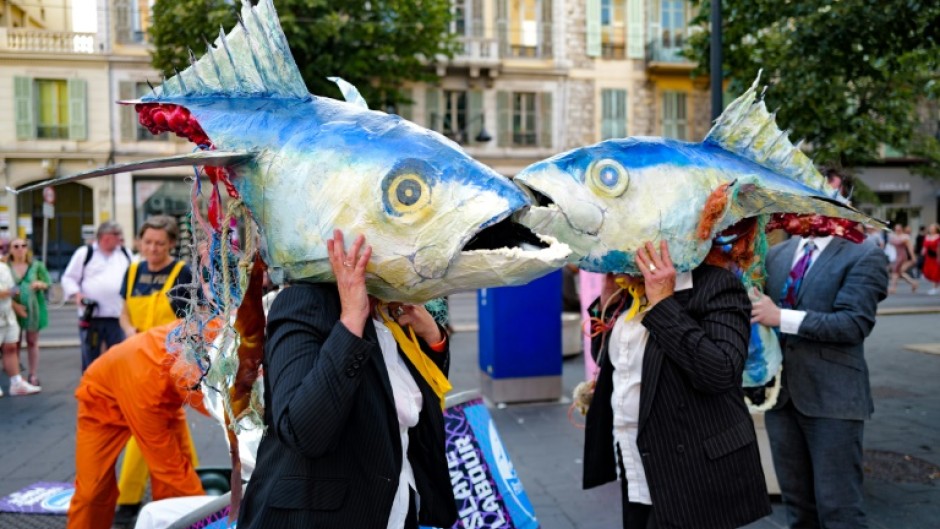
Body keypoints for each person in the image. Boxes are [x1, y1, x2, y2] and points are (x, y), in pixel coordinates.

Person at [239, 230, 458, 528]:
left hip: (393, 510)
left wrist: (432, 339)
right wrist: (352, 320)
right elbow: (303, 430)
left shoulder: (388, 310)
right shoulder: (304, 302)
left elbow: (407, 401)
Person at [582, 241, 770, 528]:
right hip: (636, 459)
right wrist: (606, 306)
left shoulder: (716, 284)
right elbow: (608, 359)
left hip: (692, 471)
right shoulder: (629, 288)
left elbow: (720, 372)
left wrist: (663, 302)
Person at [751, 228, 889, 528]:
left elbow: (854, 323)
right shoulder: (776, 254)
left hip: (833, 401)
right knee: (797, 508)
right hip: (781, 398)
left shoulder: (865, 253)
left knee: (839, 509)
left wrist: (781, 318)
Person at [66, 321, 210, 529]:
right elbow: (169, 470)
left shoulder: (217, 329)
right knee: (93, 491)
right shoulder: (152, 392)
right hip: (103, 398)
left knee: (173, 482)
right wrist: (210, 518)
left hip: (156, 383)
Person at [115, 214, 197, 522]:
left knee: (145, 424)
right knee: (167, 425)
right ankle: (190, 489)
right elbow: (124, 312)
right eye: (147, 242)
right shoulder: (133, 271)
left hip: (167, 362)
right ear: (139, 241)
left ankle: (128, 499)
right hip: (135, 359)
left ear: (172, 244)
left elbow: (194, 317)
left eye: (160, 243)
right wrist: (127, 332)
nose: (153, 248)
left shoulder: (182, 272)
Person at [61, 220, 132, 371]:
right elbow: (68, 278)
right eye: (117, 235)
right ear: (106, 237)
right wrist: (77, 294)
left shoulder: (125, 253)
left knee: (119, 357)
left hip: (117, 316)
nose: (121, 238)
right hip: (92, 316)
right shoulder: (85, 253)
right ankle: (90, 390)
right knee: (91, 358)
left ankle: (115, 390)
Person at [6, 238, 51, 386]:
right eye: (16, 246)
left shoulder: (36, 266)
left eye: (23, 246)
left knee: (32, 341)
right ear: (11, 249)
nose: (20, 249)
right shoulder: (5, 266)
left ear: (27, 249)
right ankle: (17, 376)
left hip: (34, 309)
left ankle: (33, 374)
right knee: (14, 343)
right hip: (12, 309)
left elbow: (48, 282)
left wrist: (40, 284)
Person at [0, 262, 40, 396]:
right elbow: (9, 291)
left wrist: (14, 303)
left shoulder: (4, 267)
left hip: (7, 315)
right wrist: (7, 292)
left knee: (11, 347)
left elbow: (12, 290)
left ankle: (16, 383)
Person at [886, 223, 917, 293]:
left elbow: (910, 247)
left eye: (899, 229)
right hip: (896, 255)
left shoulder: (904, 237)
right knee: (898, 272)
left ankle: (893, 288)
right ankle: (913, 283)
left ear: (901, 229)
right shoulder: (893, 236)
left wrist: (913, 256)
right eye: (896, 229)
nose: (898, 230)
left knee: (896, 271)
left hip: (902, 255)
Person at [921, 223, 940, 295]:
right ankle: (936, 287)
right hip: (928, 257)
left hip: (936, 256)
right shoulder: (927, 236)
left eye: (933, 228)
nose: (931, 229)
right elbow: (924, 246)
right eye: (930, 228)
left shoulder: (938, 237)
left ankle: (935, 287)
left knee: (936, 272)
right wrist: (922, 253)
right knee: (928, 271)